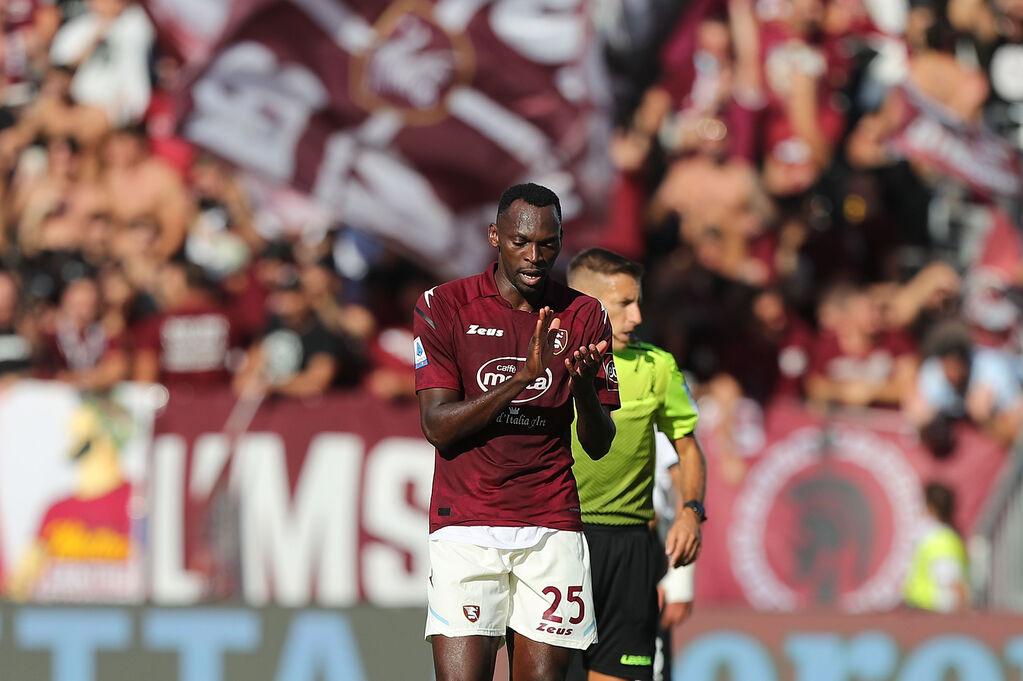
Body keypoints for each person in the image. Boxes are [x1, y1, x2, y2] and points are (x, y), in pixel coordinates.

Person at [414, 183, 619, 681]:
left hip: (550, 524)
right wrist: (523, 379)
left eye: (547, 244)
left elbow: (597, 444)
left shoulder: (586, 315)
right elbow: (437, 427)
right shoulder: (444, 305)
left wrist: (584, 390)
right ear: (494, 237)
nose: (534, 256)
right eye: (520, 242)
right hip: (467, 524)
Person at [565, 248, 706, 681]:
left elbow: (687, 449)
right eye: (624, 303)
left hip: (631, 545)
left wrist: (691, 512)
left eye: (638, 302)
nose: (637, 316)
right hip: (559, 538)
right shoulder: (546, 360)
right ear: (586, 304)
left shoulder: (657, 366)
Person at [903, 482, 969, 612]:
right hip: (926, 613)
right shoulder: (936, 536)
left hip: (933, 615)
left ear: (931, 507)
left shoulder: (941, 539)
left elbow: (953, 582)